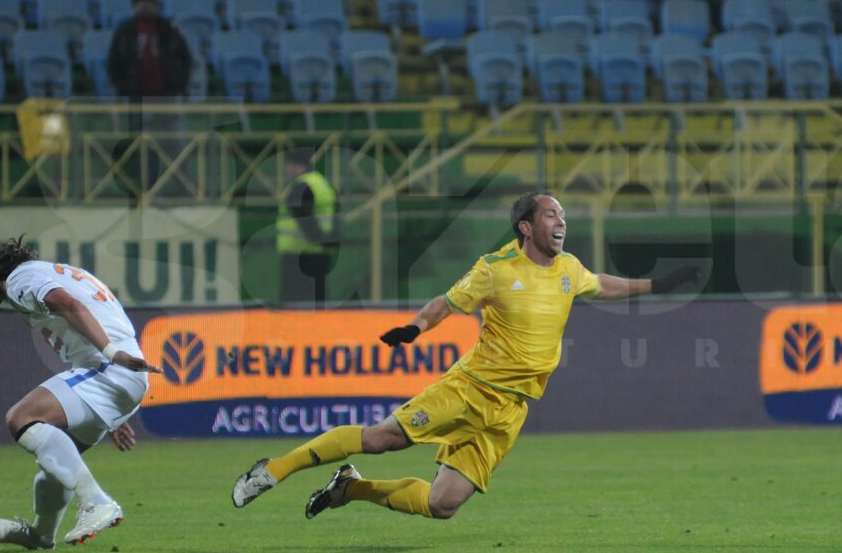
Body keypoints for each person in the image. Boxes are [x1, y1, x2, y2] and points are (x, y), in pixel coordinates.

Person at [232, 192, 701, 521]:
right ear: (526, 227)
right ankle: (273, 471)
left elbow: (604, 285)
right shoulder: (495, 270)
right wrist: (416, 328)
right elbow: (446, 303)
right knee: (382, 439)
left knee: (442, 505)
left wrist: (659, 284)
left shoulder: (569, 269)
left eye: (563, 215)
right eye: (551, 215)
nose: (561, 223)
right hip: (470, 389)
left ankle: (349, 488)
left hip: (511, 409)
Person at [0, 235, 160, 549]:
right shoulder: (53, 271)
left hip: (110, 366)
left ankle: (96, 502)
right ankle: (41, 535)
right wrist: (112, 413)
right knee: (57, 466)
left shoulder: (18, 280)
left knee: (21, 418)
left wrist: (111, 352)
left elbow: (68, 304)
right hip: (119, 374)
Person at [108, 0, 193, 102]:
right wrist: (123, 87)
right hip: (135, 94)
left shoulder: (169, 29)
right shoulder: (124, 32)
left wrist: (180, 83)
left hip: (167, 93)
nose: (144, 5)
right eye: (140, 2)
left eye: (148, 2)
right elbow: (113, 62)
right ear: (134, 7)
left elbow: (185, 57)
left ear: (156, 5)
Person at [278, 151, 339, 304]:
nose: (288, 170)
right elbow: (335, 215)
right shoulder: (322, 183)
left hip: (299, 256)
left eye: (290, 165)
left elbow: (303, 216)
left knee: (295, 305)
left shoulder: (301, 186)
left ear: (296, 166)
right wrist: (329, 242)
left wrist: (317, 238)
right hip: (321, 255)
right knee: (318, 303)